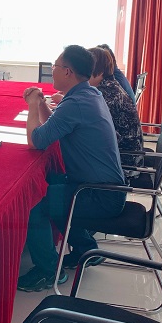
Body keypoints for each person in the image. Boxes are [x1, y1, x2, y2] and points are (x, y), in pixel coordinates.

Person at [18, 45, 126, 292]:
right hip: (102, 187)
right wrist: (42, 103)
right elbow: (53, 126)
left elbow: (36, 140)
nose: (52, 71)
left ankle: (47, 272)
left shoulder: (76, 102)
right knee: (51, 183)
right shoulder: (88, 94)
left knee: (35, 202)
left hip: (99, 195)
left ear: (67, 71)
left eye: (55, 66)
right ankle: (85, 249)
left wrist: (32, 105)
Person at [88, 46, 144, 166]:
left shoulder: (107, 94)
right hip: (124, 155)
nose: (81, 76)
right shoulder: (109, 85)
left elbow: (95, 132)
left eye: (86, 71)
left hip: (123, 163)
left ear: (100, 72)